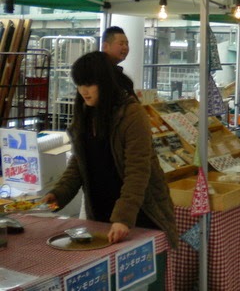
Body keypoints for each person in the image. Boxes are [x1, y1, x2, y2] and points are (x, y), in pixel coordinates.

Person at [44, 51, 178, 247]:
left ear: (105, 82)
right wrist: (57, 197)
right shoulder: (85, 113)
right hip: (100, 213)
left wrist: (123, 218)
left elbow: (137, 171)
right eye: (79, 84)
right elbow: (79, 163)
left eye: (89, 84)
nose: (83, 91)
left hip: (140, 215)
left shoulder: (131, 114)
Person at [101, 26, 136, 98]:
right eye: (121, 44)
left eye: (127, 44)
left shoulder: (116, 72)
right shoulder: (97, 71)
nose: (125, 47)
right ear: (105, 46)